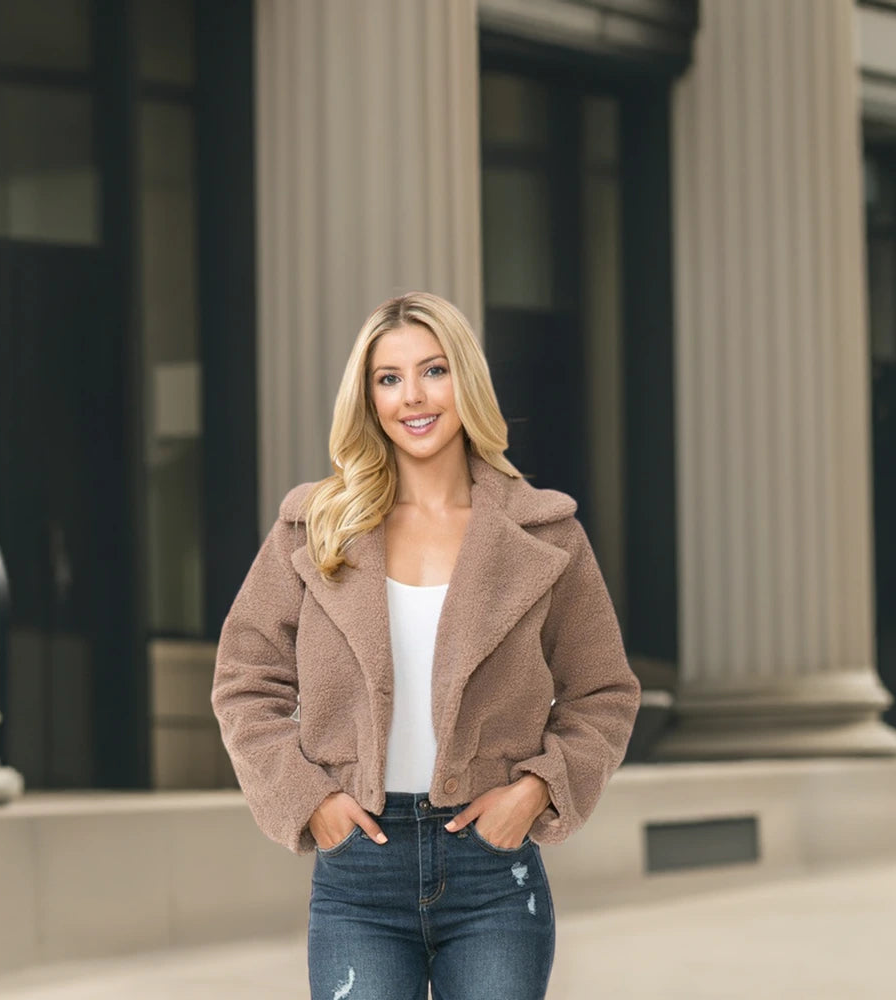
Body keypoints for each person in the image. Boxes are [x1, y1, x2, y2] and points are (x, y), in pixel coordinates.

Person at [212, 291, 640, 1000]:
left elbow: (604, 692)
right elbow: (243, 681)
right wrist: (308, 797)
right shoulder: (314, 527)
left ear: (465, 381)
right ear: (369, 396)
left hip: (493, 877)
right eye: (388, 377)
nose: (412, 395)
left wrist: (536, 791)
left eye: (433, 371)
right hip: (359, 875)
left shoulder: (545, 532)